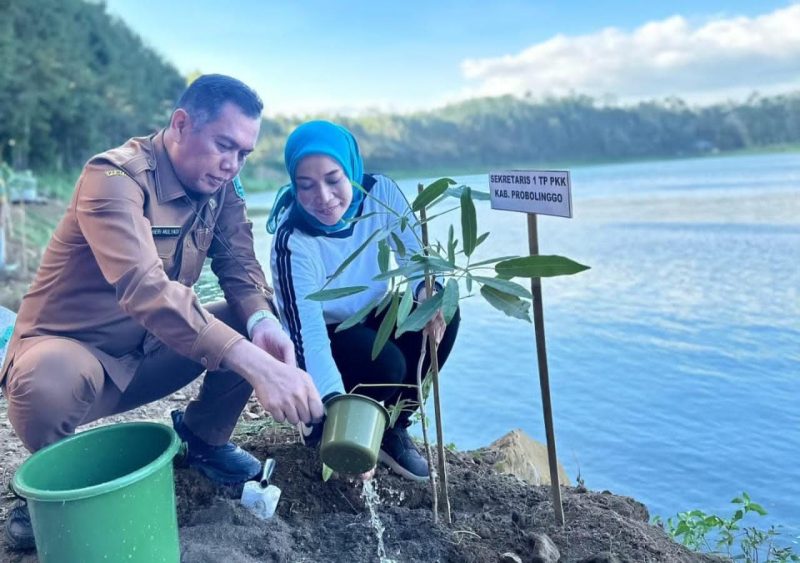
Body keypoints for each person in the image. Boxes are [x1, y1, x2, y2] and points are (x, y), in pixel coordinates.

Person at [0, 75, 323, 550]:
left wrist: (263, 326)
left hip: (150, 352)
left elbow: (239, 267)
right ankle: (50, 482)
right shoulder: (112, 177)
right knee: (47, 377)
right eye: (223, 145)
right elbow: (143, 287)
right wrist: (253, 364)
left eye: (243, 154)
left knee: (253, 320)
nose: (231, 164)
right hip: (76, 356)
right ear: (180, 124)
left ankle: (203, 441)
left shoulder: (222, 189)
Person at [267, 121, 460, 481]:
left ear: (351, 169)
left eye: (333, 178)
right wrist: (334, 414)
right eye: (305, 186)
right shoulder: (293, 240)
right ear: (293, 186)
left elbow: (418, 258)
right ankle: (326, 424)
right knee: (386, 364)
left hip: (373, 311)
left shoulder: (379, 192)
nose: (323, 197)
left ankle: (391, 429)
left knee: (445, 313)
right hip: (328, 333)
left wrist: (427, 292)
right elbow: (307, 337)